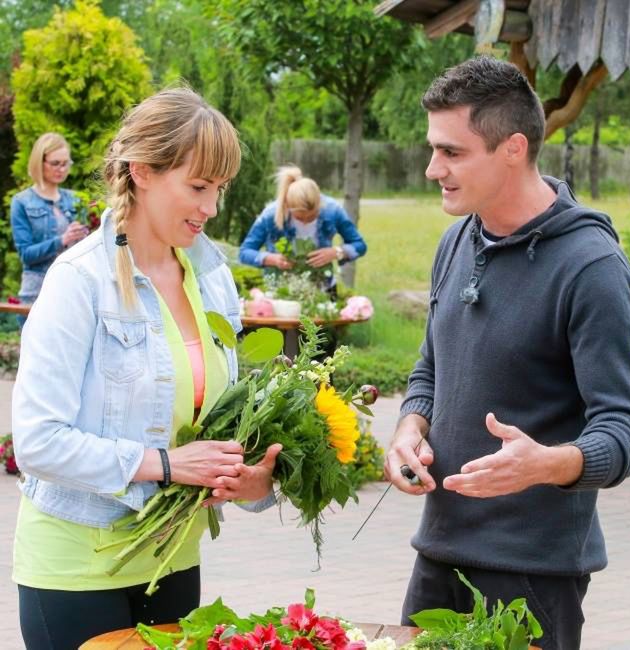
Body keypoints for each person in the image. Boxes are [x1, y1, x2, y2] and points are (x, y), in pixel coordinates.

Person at [384, 57, 630, 650]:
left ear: (513, 148)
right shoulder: (457, 239)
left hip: (534, 575)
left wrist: (546, 463)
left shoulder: (592, 269)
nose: (433, 169)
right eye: (434, 149)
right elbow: (431, 368)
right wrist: (409, 425)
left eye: (452, 152)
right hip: (438, 555)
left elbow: (625, 429)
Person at [11, 88, 282, 650]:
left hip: (173, 560)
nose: (211, 208)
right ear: (142, 172)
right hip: (75, 568)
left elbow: (218, 421)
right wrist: (162, 463)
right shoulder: (78, 281)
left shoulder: (212, 277)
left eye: (220, 189)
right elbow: (37, 443)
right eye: (198, 187)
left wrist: (252, 479)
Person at [10, 133, 89, 323]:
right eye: (55, 163)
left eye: (66, 163)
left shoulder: (76, 200)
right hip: (36, 293)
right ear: (40, 162)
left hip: (72, 290)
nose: (61, 169)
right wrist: (62, 240)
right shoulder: (21, 202)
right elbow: (26, 254)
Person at [238, 165, 367, 276]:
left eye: (312, 217)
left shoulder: (333, 210)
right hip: (280, 287)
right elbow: (244, 253)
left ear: (320, 204)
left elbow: (360, 245)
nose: (305, 222)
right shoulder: (271, 214)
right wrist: (271, 259)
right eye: (299, 218)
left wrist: (337, 252)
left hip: (323, 284)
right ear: (288, 205)